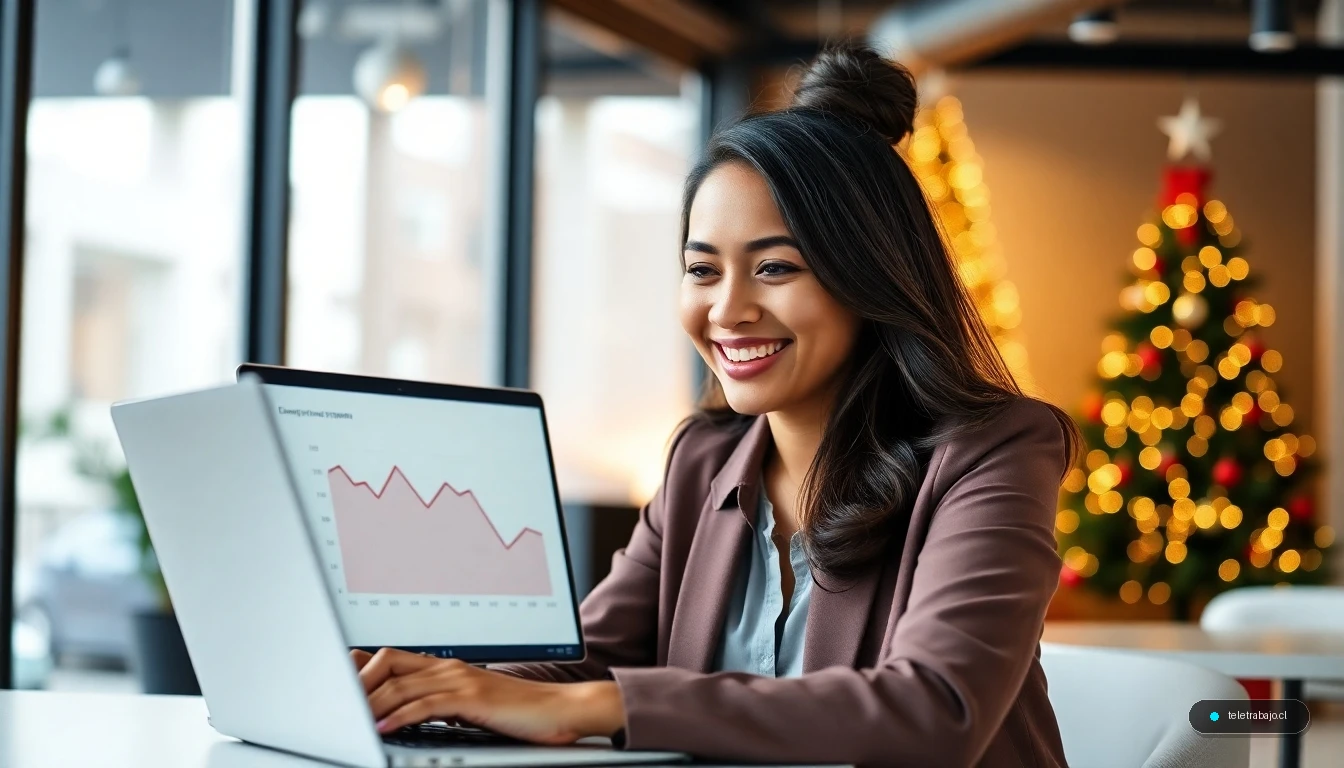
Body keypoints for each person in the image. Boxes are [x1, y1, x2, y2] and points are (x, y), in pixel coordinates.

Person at [350, 43, 1081, 768]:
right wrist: (422, 691)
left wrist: (601, 705)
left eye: (774, 268)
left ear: (869, 277)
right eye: (702, 270)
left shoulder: (996, 452)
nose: (728, 310)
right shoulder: (703, 461)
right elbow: (586, 660)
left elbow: (935, 712)